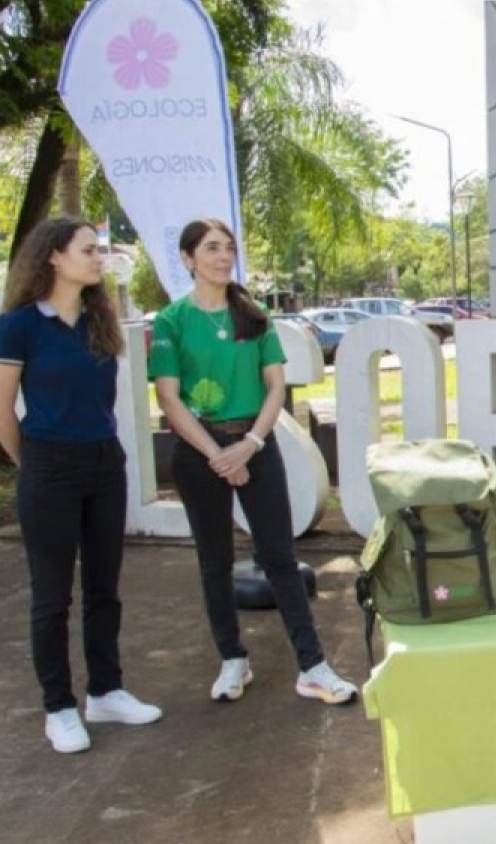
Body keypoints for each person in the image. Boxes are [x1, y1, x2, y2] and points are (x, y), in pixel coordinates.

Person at [151, 218, 356, 706]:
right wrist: (218, 455)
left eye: (228, 248)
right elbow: (169, 399)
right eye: (211, 248)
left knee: (280, 558)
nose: (223, 256)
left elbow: (276, 388)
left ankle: (312, 667)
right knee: (214, 560)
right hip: (200, 453)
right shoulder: (171, 321)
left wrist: (251, 445)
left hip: (255, 447)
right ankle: (232, 660)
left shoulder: (254, 315)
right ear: (187, 259)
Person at [0, 217, 163, 753]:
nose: (98, 259)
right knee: (51, 596)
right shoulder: (19, 324)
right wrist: (32, 463)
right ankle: (59, 707)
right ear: (54, 258)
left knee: (105, 588)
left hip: (105, 464)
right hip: (48, 466)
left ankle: (105, 691)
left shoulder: (98, 319)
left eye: (100, 250)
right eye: (88, 250)